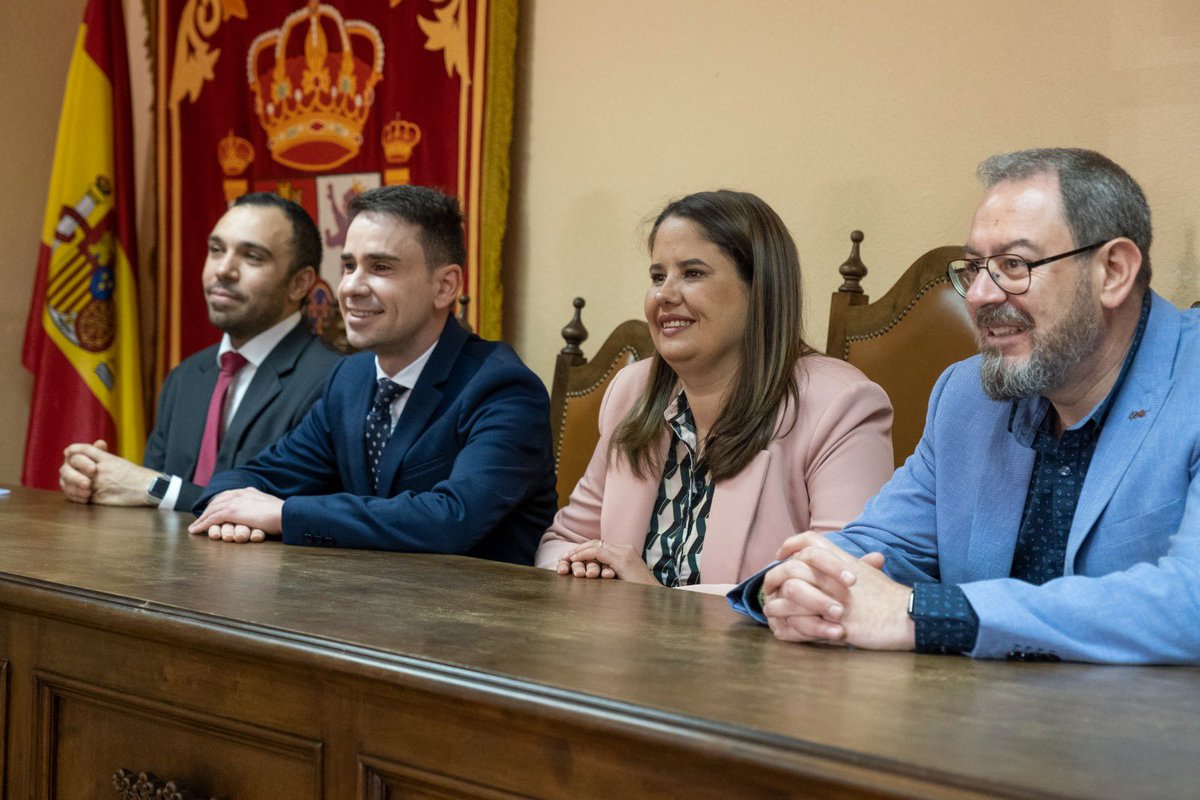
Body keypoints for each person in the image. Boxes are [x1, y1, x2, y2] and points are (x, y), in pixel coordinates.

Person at [730, 148, 1200, 665]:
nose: (977, 295)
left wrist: (926, 614)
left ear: (1112, 271)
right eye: (975, 267)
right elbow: (885, 544)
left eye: (1013, 265)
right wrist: (801, 582)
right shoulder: (967, 395)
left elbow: (1189, 602)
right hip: (967, 727)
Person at [536, 190, 894, 593]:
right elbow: (561, 542)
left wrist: (652, 601)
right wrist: (585, 569)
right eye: (657, 276)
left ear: (759, 288)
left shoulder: (840, 404)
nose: (664, 295)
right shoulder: (631, 390)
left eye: (692, 274)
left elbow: (840, 585)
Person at [189, 185, 557, 565]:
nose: (350, 287)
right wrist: (227, 508)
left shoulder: (503, 388)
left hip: (475, 615)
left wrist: (282, 515)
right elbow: (254, 477)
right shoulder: (350, 378)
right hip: (361, 607)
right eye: (349, 266)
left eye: (380, 267)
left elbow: (452, 519)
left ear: (445, 286)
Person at [58, 193, 341, 512]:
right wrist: (95, 480)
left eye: (251, 256)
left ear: (299, 283)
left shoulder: (334, 382)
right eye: (217, 250)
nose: (223, 270)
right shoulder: (186, 378)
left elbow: (298, 514)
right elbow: (142, 501)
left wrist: (154, 487)